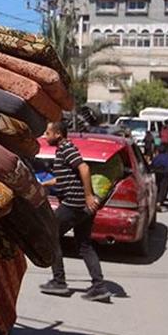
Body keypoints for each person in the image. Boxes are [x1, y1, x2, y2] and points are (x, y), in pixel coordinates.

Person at [39, 120, 110, 302]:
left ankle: (59, 281)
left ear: (58, 135)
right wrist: (45, 184)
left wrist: (87, 196)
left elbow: (84, 168)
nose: (45, 137)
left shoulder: (66, 148)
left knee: (49, 234)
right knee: (84, 245)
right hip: (83, 207)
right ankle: (99, 287)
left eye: (48, 133)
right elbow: (65, 177)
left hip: (75, 204)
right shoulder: (63, 150)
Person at [150, 143, 168, 210]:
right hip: (166, 173)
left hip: (158, 173)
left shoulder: (156, 158)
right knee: (164, 187)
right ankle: (159, 202)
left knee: (158, 186)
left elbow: (152, 165)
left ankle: (157, 200)